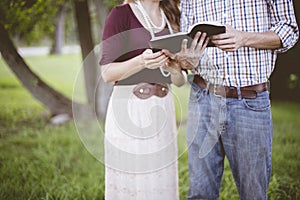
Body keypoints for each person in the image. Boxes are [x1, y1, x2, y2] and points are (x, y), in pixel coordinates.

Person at [178, 0, 299, 199]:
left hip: (249, 102)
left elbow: (290, 30)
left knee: (253, 193)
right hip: (202, 98)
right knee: (200, 193)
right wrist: (187, 58)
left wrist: (244, 38)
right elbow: (186, 42)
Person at [100, 0, 208, 199]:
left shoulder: (173, 16)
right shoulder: (121, 14)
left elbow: (178, 80)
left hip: (163, 110)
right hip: (129, 109)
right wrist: (141, 61)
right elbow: (107, 73)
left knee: (160, 182)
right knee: (134, 182)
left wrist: (174, 69)